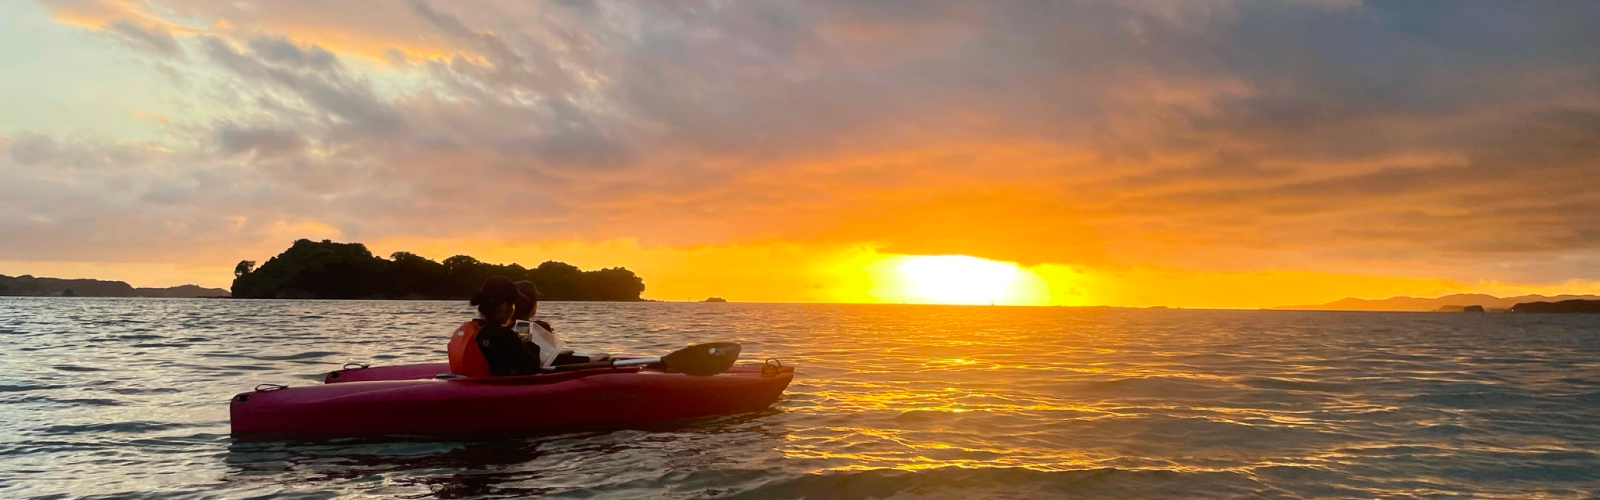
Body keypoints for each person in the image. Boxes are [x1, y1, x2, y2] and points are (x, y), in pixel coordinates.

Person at [447, 276, 542, 377]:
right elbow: (531, 367)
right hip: (492, 388)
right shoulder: (504, 335)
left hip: (467, 383)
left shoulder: (467, 330)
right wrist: (532, 348)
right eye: (513, 305)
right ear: (505, 306)